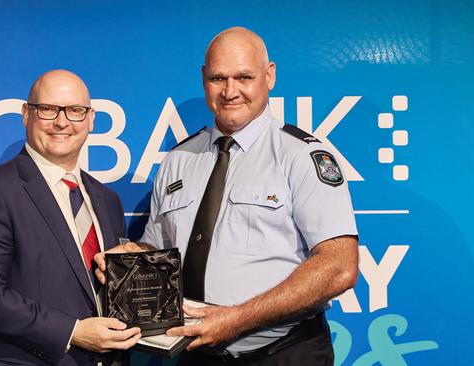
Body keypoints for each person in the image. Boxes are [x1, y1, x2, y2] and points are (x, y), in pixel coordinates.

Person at [96, 27, 358, 365]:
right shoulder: (178, 160)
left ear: (270, 75)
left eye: (243, 77)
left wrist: (236, 318)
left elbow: (339, 267)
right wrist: (131, 258)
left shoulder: (302, 156)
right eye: (218, 78)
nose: (230, 91)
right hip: (198, 354)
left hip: (285, 353)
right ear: (203, 78)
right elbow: (157, 248)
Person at [0, 70, 141, 366]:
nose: (62, 122)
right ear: (26, 114)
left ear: (91, 119)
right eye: (48, 109)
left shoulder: (108, 200)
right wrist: (72, 331)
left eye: (75, 111)